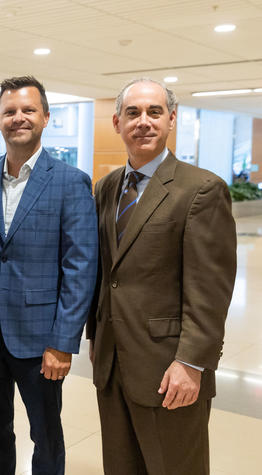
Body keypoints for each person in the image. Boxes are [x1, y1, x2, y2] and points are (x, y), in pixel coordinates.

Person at [87, 78, 236, 474]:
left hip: (170, 368)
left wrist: (191, 362)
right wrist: (95, 334)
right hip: (113, 362)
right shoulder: (105, 188)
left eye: (154, 112)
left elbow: (211, 289)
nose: (143, 122)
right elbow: (106, 272)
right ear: (117, 123)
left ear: (172, 119)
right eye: (133, 113)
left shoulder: (201, 190)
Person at [0, 76, 98, 475]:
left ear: (45, 118)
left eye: (28, 110)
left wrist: (63, 342)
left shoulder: (70, 181)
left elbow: (80, 265)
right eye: (9, 112)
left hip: (40, 338)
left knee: (45, 431)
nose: (18, 118)